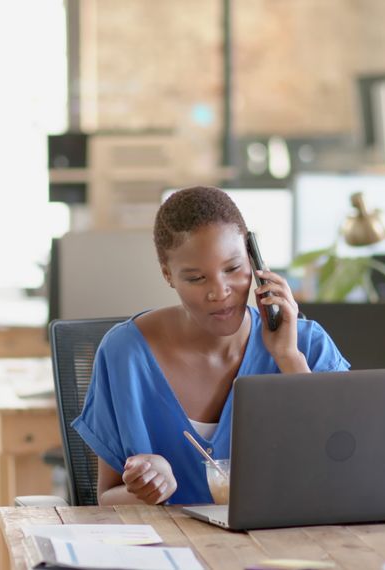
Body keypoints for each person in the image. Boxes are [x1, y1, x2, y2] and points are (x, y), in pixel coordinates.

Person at [71, 186, 351, 506]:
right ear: (168, 275)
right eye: (196, 278)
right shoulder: (125, 353)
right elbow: (106, 497)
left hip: (285, 549)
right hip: (172, 550)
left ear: (254, 261)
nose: (219, 292)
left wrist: (288, 358)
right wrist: (150, 490)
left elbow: (343, 469)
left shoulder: (308, 345)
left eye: (232, 269)